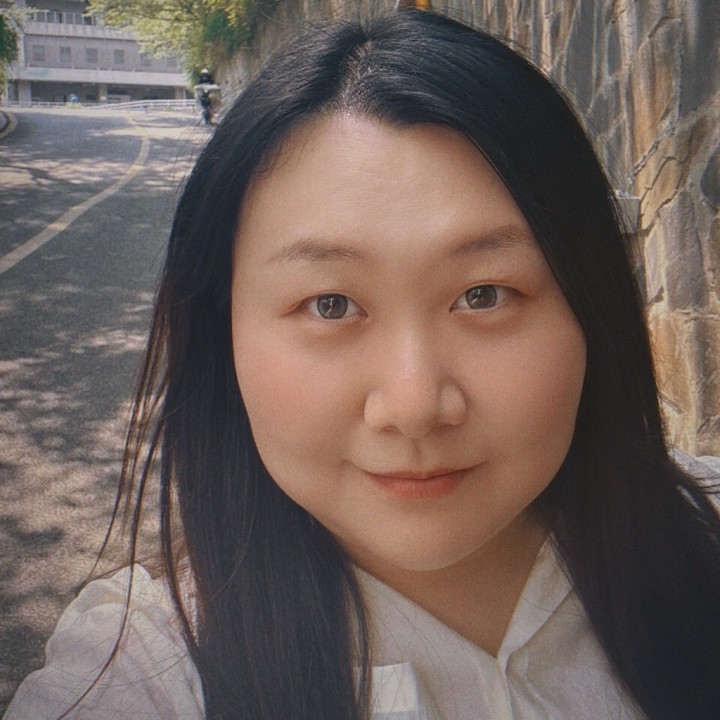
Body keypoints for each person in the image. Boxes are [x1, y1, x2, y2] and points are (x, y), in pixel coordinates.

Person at [5, 9, 720, 720]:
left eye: (483, 294)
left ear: (591, 305)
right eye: (330, 305)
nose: (413, 407)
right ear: (224, 335)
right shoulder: (143, 671)